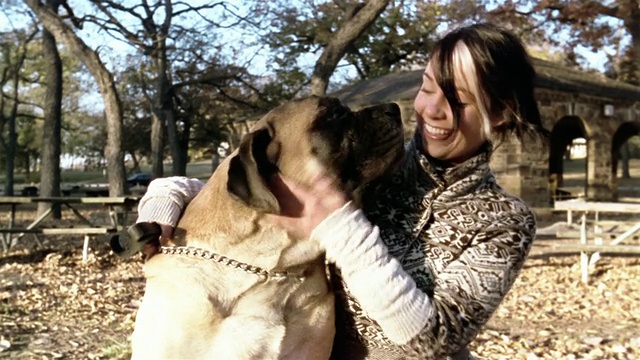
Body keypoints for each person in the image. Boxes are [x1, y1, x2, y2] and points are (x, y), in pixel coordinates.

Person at [135, 22, 549, 360]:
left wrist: (339, 225)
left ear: (501, 113)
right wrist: (168, 193)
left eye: (458, 100)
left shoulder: (504, 221)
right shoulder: (381, 166)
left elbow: (431, 340)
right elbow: (258, 189)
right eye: (426, 88)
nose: (430, 110)